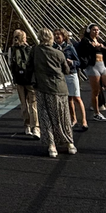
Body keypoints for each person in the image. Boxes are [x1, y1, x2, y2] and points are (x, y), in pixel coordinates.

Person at [26, 28, 76, 158]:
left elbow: (28, 66)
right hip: (59, 88)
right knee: (63, 116)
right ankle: (69, 143)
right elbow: (66, 70)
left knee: (45, 117)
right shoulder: (59, 53)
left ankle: (51, 145)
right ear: (51, 38)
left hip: (42, 87)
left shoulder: (35, 51)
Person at [8, 29, 39, 137]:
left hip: (19, 80)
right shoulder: (30, 49)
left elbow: (10, 64)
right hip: (30, 79)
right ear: (24, 38)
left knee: (24, 104)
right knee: (33, 104)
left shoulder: (11, 50)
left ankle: (27, 126)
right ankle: (36, 128)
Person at [55, 29, 88, 131]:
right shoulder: (54, 48)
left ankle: (84, 120)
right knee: (68, 99)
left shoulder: (70, 47)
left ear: (64, 36)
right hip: (61, 76)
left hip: (71, 74)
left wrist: (72, 62)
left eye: (59, 34)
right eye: (55, 34)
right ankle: (73, 119)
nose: (56, 36)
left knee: (77, 97)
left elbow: (79, 62)